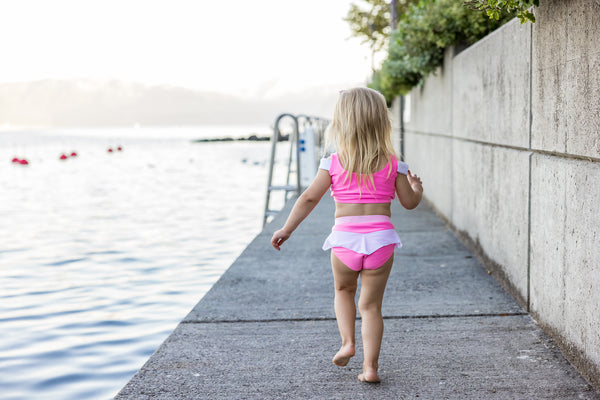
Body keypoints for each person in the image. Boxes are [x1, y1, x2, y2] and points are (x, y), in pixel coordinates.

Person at [270, 87, 423, 383]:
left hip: (344, 242)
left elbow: (308, 199)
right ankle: (370, 368)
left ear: (340, 123)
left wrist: (287, 229)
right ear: (382, 122)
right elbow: (409, 203)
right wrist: (417, 188)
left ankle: (347, 343)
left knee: (343, 292)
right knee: (371, 306)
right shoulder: (394, 164)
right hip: (380, 241)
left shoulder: (332, 163)